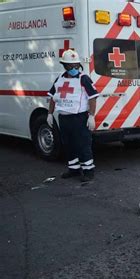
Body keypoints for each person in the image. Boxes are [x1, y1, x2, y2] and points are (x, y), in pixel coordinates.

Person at [47, 49, 99, 182]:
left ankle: (88, 171)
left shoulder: (84, 79)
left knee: (83, 144)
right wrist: (49, 114)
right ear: (64, 65)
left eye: (76, 65)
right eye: (70, 65)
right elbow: (53, 97)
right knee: (68, 144)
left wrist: (91, 116)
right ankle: (74, 169)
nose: (74, 68)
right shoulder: (59, 79)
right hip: (64, 118)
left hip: (79, 118)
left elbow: (92, 97)